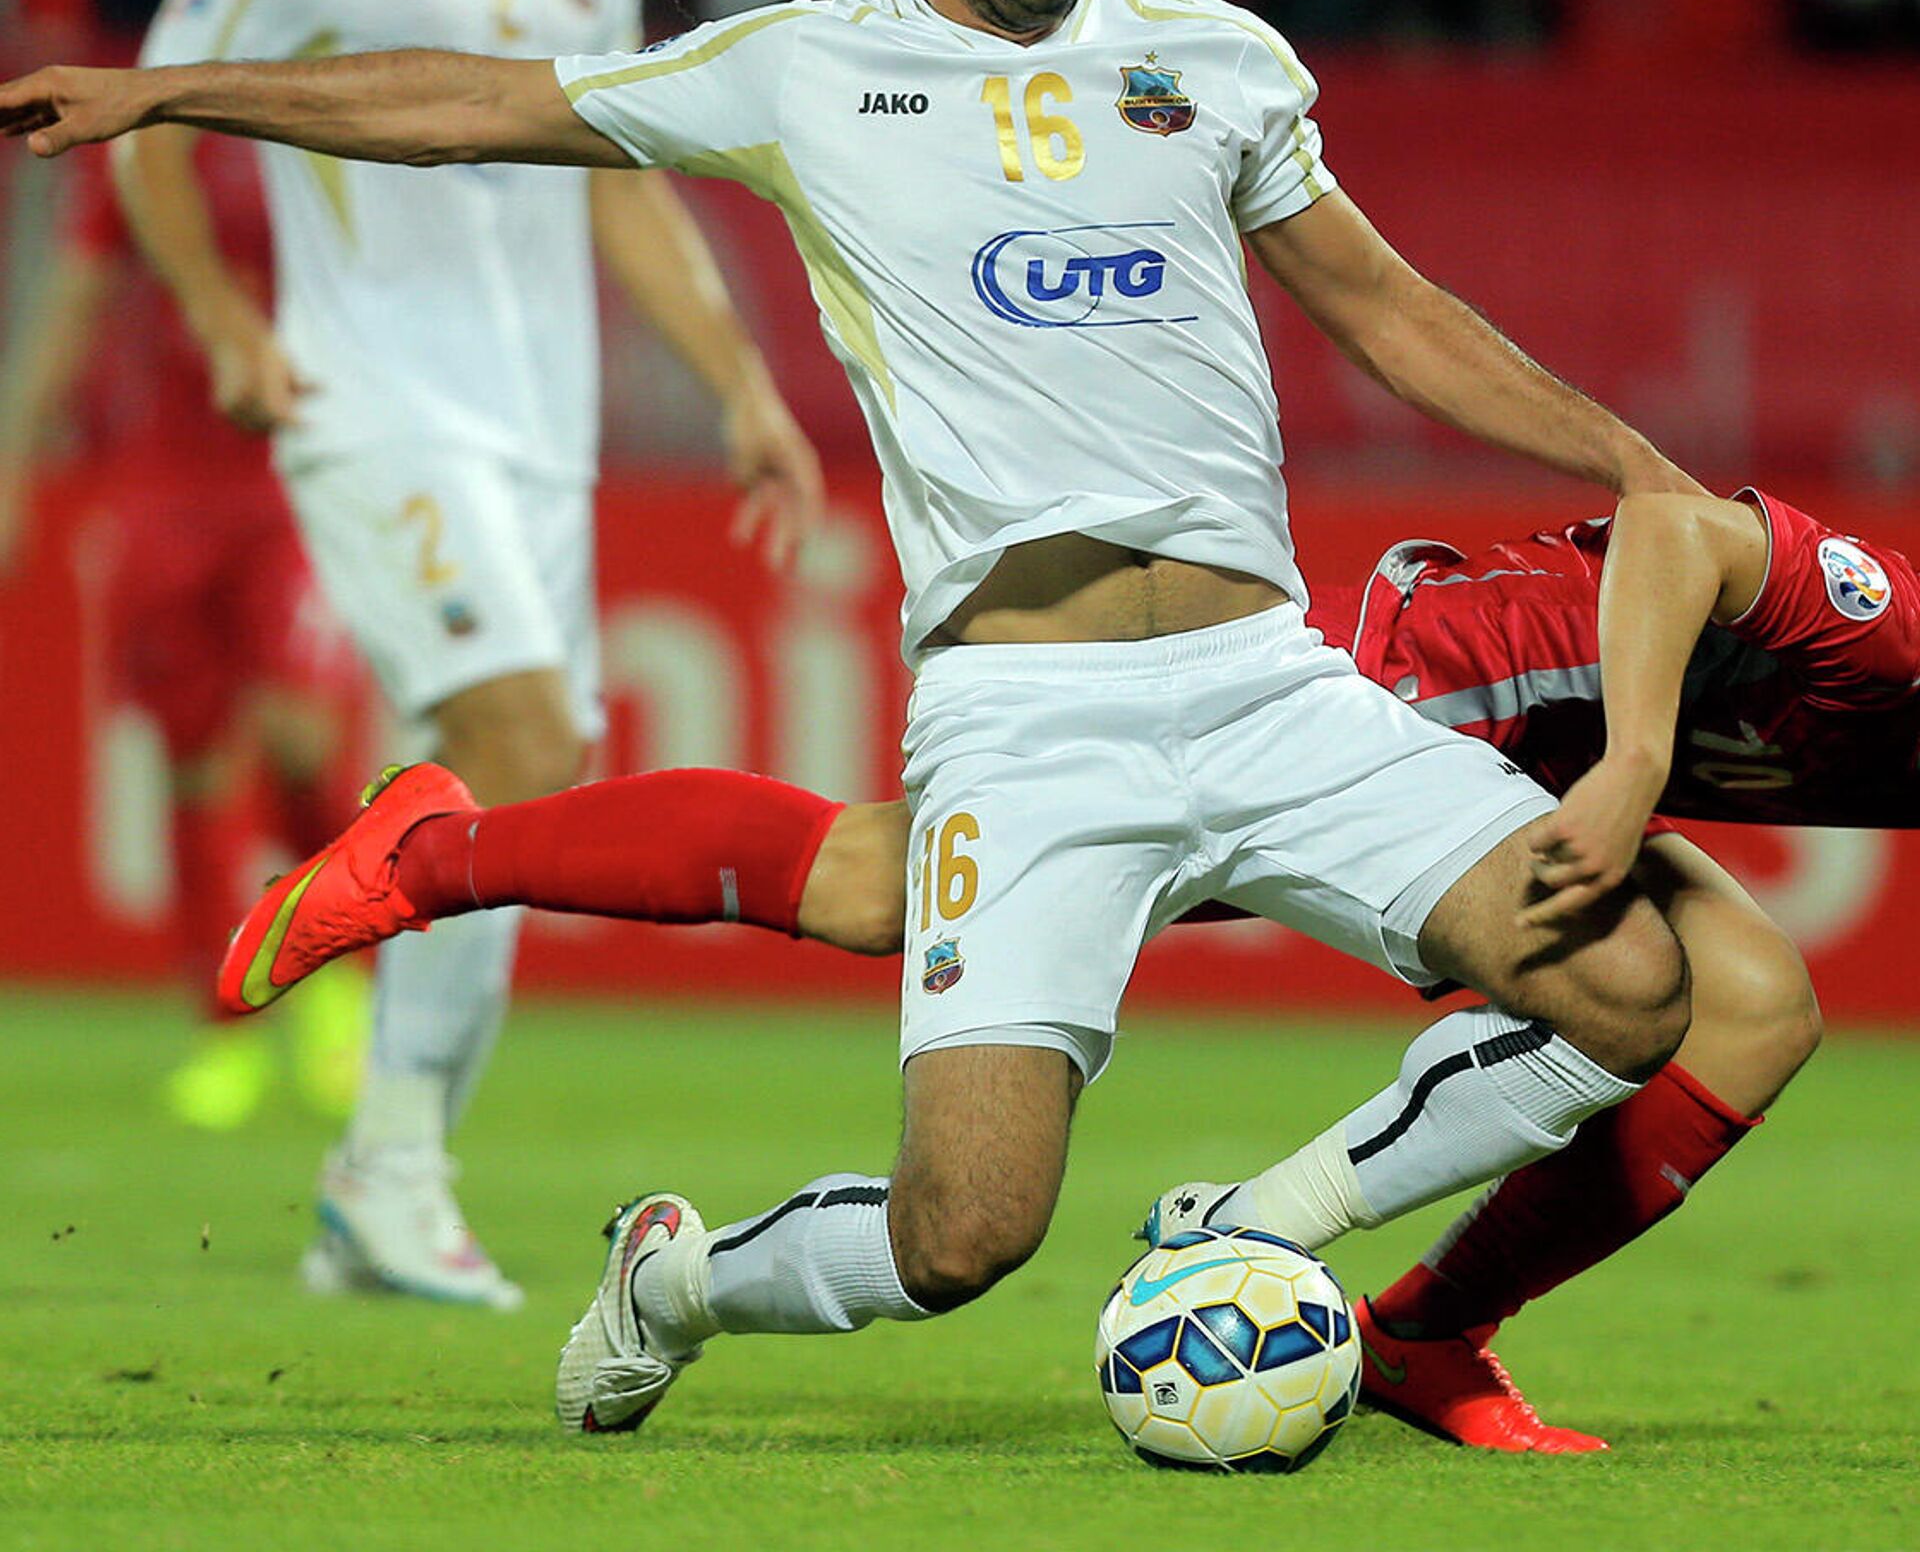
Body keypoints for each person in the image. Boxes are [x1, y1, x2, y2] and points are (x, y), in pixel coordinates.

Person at [2, 0, 1701, 1442]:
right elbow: (466, 106)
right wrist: (167, 93)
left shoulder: (1214, 58)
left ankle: (1260, 1231)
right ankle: (678, 1277)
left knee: (1635, 987)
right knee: (964, 1234)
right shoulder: (806, 72)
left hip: (1272, 687)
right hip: (1032, 718)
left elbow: (1389, 309)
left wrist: (1622, 456)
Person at [213, 483, 1848, 1451]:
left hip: (1517, 747)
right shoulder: (1896, 632)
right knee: (876, 887)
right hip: (1411, 694)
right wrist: (1639, 754)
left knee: (1747, 999)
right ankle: (439, 857)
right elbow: (1672, 524)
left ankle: (1408, 1328)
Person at [104, 0, 824, 1308]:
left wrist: (738, 383)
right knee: (519, 743)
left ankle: (381, 1182)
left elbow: (622, 178)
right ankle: (393, 1168)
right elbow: (146, 113)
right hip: (371, 403)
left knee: (517, 796)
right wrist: (221, 317)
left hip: (540, 435)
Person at [0, 139, 368, 1131]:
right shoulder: (150, 147)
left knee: (301, 737)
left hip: (301, 479)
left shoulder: (319, 129)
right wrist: (15, 456)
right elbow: (76, 292)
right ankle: (227, 1030)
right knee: (195, 763)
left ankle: (336, 985)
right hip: (166, 491)